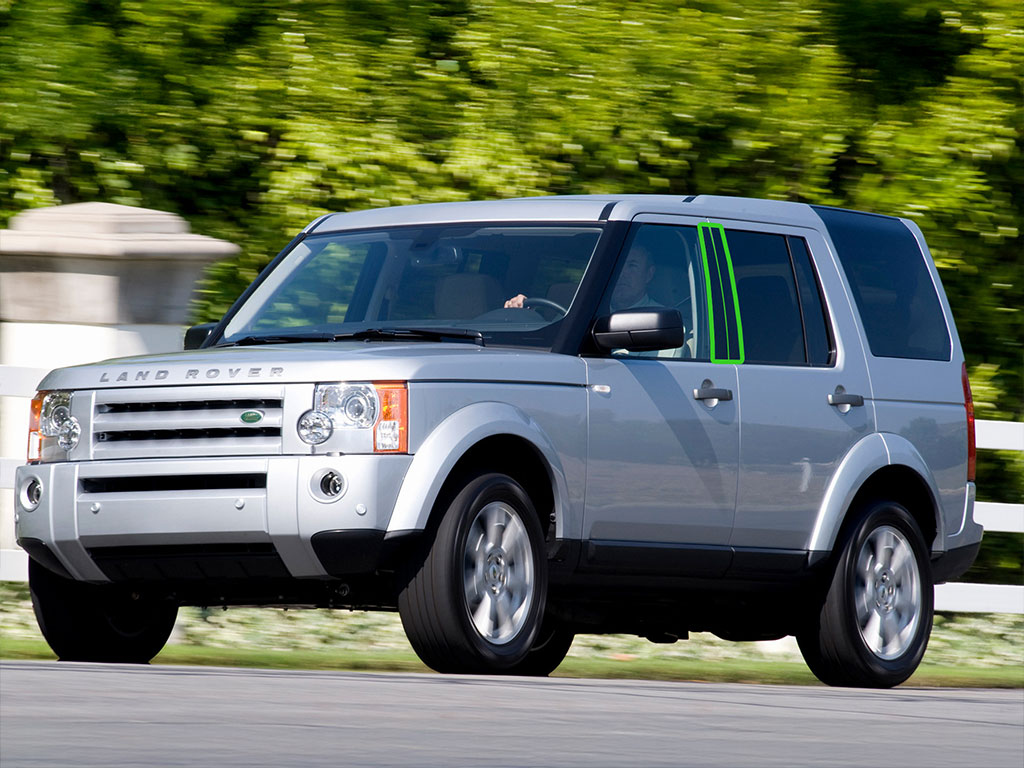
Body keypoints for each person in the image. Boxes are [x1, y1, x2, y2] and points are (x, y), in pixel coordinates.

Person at [504, 244, 659, 311]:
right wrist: (523, 313)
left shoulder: (661, 322)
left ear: (649, 274)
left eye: (632, 266)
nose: (621, 274)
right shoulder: (587, 311)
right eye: (617, 266)